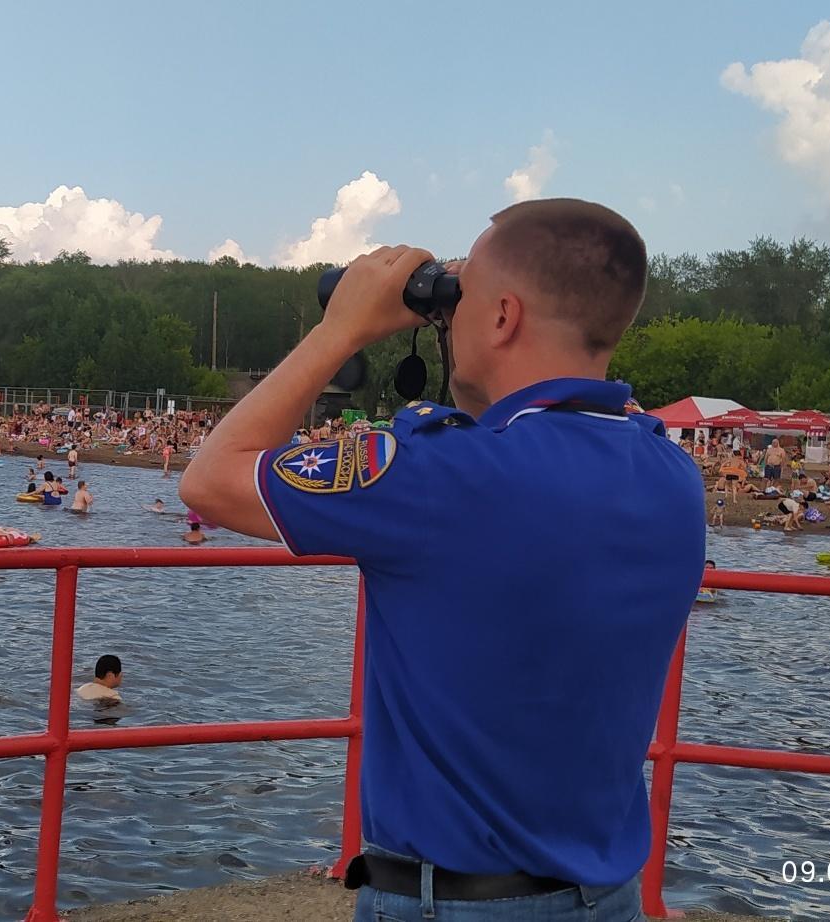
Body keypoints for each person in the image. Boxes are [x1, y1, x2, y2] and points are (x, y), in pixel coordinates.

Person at [180, 200, 696, 920]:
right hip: (608, 899)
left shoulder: (438, 476)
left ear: (503, 316)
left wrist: (339, 330)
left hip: (451, 906)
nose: (448, 315)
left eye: (461, 296)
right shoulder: (673, 476)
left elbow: (208, 480)